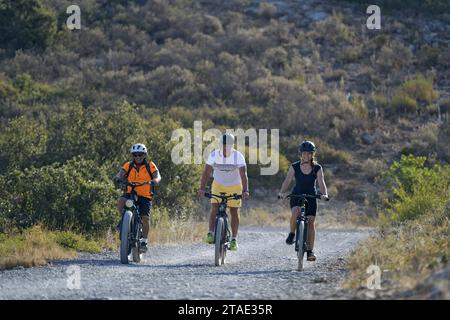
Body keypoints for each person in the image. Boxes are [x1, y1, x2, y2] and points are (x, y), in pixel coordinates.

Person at [278, 140, 328, 261]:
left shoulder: (317, 168)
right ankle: (292, 233)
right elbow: (288, 180)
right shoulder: (294, 166)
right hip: (297, 195)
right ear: (301, 154)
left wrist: (324, 194)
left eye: (309, 153)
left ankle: (310, 251)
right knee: (295, 212)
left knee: (310, 221)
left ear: (312, 154)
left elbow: (321, 182)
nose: (307, 155)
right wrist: (281, 192)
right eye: (304, 153)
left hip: (311, 196)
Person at [198, 133, 249, 251]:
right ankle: (210, 233)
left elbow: (243, 175)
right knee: (214, 208)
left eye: (228, 145)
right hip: (218, 185)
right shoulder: (214, 155)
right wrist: (201, 188)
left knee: (234, 211)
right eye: (224, 145)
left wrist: (245, 190)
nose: (226, 148)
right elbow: (206, 173)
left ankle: (234, 239)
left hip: (235, 186)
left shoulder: (238, 156)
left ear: (232, 145)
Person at [113, 143, 161, 252]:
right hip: (131, 193)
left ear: (144, 155)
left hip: (145, 196)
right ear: (132, 156)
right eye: (135, 155)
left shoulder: (150, 165)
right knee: (121, 201)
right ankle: (123, 221)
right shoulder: (129, 165)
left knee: (145, 218)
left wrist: (155, 180)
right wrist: (117, 177)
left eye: (140, 155)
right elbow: (121, 173)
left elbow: (157, 175)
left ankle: (144, 240)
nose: (138, 157)